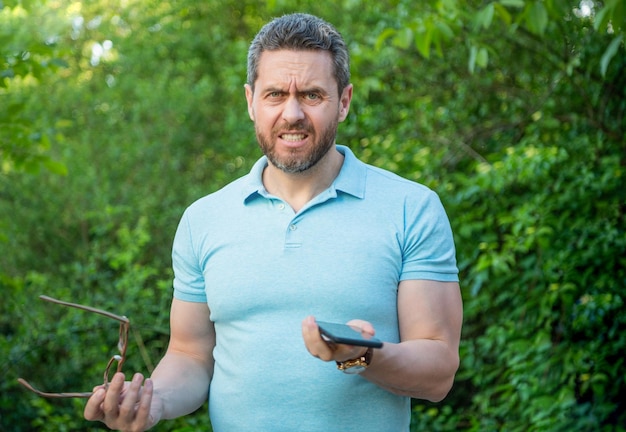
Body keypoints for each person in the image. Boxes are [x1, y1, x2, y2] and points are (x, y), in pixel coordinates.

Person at [83, 12, 462, 432]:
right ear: (250, 102)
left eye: (313, 95)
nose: (293, 113)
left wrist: (361, 355)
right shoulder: (203, 219)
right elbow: (189, 356)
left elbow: (438, 369)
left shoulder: (411, 208)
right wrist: (153, 403)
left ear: (345, 101)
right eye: (276, 94)